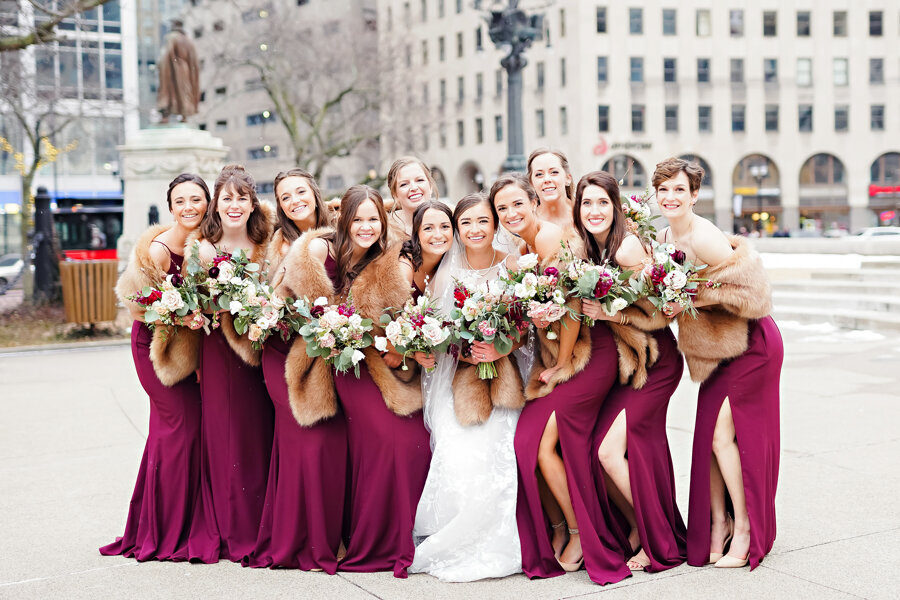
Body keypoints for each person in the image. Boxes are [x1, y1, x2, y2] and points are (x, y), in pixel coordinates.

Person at [491, 173, 630, 585]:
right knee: (525, 443)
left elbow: (571, 308)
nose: (511, 213)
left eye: (518, 203)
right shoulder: (522, 248)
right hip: (561, 357)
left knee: (543, 445)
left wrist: (562, 365)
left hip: (589, 356)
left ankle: (581, 536)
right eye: (502, 208)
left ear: (534, 202)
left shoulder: (552, 239)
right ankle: (559, 529)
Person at [654, 157, 782, 570]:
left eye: (679, 190)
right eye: (663, 190)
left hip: (753, 345)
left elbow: (754, 293)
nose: (670, 197)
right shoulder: (661, 237)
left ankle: (743, 529)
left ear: (694, 196)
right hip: (721, 349)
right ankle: (718, 525)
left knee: (720, 437)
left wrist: (692, 296)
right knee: (706, 438)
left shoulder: (704, 236)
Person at [308, 185, 430, 578]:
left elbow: (404, 317)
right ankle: (374, 542)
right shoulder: (325, 255)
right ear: (344, 222)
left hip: (388, 366)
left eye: (373, 219)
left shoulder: (391, 260)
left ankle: (409, 536)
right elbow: (299, 310)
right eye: (357, 219)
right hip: (346, 369)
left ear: (383, 222)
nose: (365, 226)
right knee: (385, 441)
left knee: (412, 439)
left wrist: (401, 346)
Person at [572, 171, 687, 573]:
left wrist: (608, 314)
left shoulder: (626, 248)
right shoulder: (591, 250)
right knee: (594, 448)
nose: (594, 210)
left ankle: (658, 538)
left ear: (616, 207)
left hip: (656, 364)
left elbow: (658, 314)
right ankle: (638, 528)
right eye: (587, 203)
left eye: (602, 202)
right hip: (630, 367)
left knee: (607, 451)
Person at [409, 194, 525, 582]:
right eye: (466, 224)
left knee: (499, 446)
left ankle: (502, 540)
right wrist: (461, 350)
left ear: (495, 225)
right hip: (458, 380)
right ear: (458, 231)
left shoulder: (513, 266)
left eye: (483, 222)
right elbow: (435, 336)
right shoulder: (445, 274)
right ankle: (458, 537)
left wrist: (500, 345)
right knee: (458, 448)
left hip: (506, 376)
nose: (475, 230)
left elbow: (528, 330)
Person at [101, 173, 217, 562]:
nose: (188, 207)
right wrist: (181, 319)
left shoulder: (207, 248)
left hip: (192, 351)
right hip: (156, 350)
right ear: (170, 207)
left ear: (207, 203)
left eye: (196, 199)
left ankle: (161, 523)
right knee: (178, 429)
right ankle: (164, 532)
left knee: (177, 432)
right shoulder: (158, 248)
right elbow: (136, 306)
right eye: (180, 200)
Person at [241, 169, 347, 572]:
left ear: (314, 193)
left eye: (300, 191)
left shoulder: (341, 229)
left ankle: (333, 534)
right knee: (303, 442)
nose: (294, 200)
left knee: (332, 443)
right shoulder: (277, 243)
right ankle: (301, 540)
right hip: (284, 352)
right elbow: (271, 299)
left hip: (334, 349)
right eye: (285, 197)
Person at [190, 164, 274, 562]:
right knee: (227, 435)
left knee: (259, 435)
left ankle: (261, 521)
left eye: (242, 198)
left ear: (253, 204)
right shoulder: (204, 249)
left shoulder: (269, 244)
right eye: (227, 198)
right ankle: (230, 527)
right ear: (216, 205)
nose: (235, 205)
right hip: (220, 352)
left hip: (263, 354)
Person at [385, 156, 439, 242]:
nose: (413, 188)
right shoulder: (383, 229)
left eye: (420, 180)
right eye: (404, 184)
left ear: (430, 186)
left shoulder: (452, 222)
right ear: (395, 194)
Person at [156, 19, 200, 123]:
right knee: (184, 91)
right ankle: (184, 114)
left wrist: (160, 65)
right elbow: (193, 60)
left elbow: (165, 54)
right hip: (186, 70)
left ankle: (165, 114)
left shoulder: (171, 37)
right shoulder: (188, 40)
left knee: (169, 92)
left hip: (172, 69)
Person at [527, 148, 576, 231]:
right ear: (531, 183)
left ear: (568, 178)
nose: (547, 179)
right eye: (539, 174)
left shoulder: (585, 214)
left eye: (554, 172)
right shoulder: (527, 223)